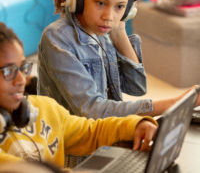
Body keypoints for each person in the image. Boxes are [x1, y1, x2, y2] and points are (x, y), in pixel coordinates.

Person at [38, 0, 200, 120]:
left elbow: (136, 86)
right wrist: (175, 102)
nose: (109, 16)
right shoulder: (57, 38)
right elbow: (93, 110)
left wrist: (119, 32)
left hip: (102, 132)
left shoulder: (100, 32)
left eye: (120, 6)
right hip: (69, 141)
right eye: (100, 3)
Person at [0, 21, 158, 169]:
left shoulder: (45, 109)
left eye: (22, 68)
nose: (21, 80)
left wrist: (135, 126)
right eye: (8, 71)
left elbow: (91, 132)